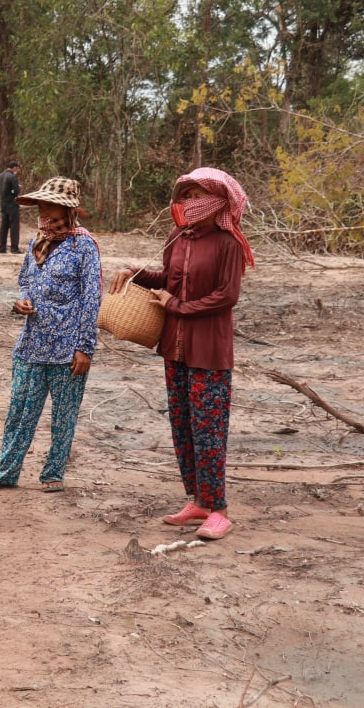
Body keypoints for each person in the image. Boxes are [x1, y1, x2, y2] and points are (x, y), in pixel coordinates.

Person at [108, 167, 254, 541]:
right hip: (175, 348)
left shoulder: (228, 243)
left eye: (196, 195)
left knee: (209, 430)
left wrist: (177, 306)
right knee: (183, 427)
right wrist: (135, 274)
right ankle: (197, 501)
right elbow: (168, 280)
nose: (188, 202)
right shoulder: (179, 236)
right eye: (185, 194)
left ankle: (218, 509)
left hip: (209, 351)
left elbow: (226, 296)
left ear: (219, 202)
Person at [0, 177, 100, 496]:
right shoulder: (35, 243)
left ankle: (53, 473)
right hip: (31, 345)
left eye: (51, 207)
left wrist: (85, 348)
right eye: (42, 206)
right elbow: (25, 281)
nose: (45, 213)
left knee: (63, 415)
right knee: (19, 411)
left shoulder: (84, 245)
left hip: (67, 348)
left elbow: (91, 298)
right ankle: (6, 472)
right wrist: (22, 301)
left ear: (67, 210)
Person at [0, 161, 21, 254]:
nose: (17, 171)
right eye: (17, 168)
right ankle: (14, 248)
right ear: (14, 167)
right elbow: (16, 191)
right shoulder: (12, 176)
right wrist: (18, 188)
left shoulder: (0, 176)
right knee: (14, 227)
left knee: (3, 227)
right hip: (12, 204)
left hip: (3, 204)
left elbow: (0, 190)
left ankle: (2, 248)